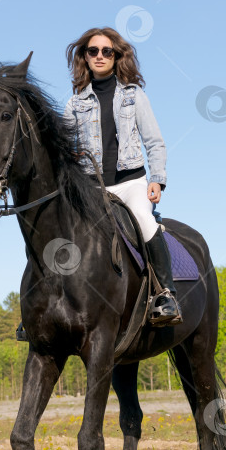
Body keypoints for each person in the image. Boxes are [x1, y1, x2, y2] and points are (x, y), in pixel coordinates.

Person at [62, 27, 182, 326]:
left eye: (107, 51)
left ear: (117, 57)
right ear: (84, 58)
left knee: (143, 220)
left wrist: (157, 178)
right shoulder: (73, 104)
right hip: (90, 188)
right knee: (57, 228)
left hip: (130, 183)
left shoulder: (133, 95)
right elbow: (61, 151)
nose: (100, 56)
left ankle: (165, 294)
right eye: (93, 51)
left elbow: (154, 141)